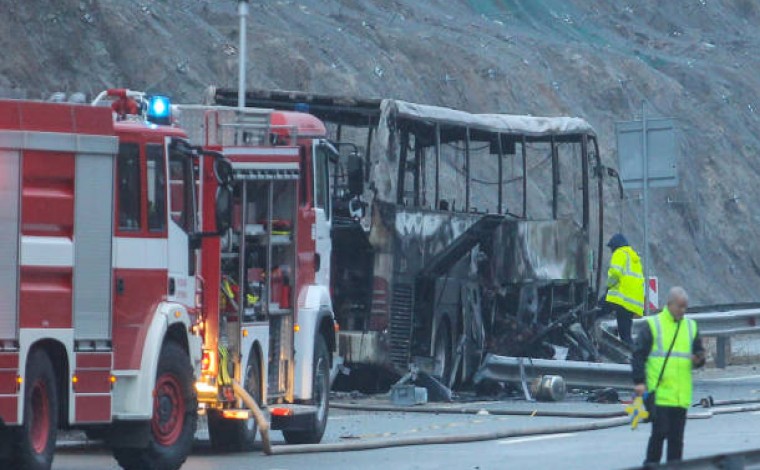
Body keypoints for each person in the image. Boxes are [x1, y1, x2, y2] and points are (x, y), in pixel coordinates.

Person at [632, 287, 706, 465]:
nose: (683, 311)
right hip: (660, 394)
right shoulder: (653, 325)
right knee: (659, 434)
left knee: (676, 440)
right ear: (670, 304)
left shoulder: (690, 326)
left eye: (685, 307)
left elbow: (699, 353)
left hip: (681, 396)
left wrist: (698, 359)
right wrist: (639, 381)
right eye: (680, 306)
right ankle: (651, 465)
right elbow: (638, 354)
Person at [604, 233, 645, 345]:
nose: (611, 250)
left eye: (611, 248)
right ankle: (632, 354)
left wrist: (607, 287)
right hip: (632, 303)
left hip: (621, 299)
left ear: (615, 246)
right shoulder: (633, 257)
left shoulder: (619, 253)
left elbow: (615, 274)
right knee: (626, 335)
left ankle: (632, 357)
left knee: (599, 308)